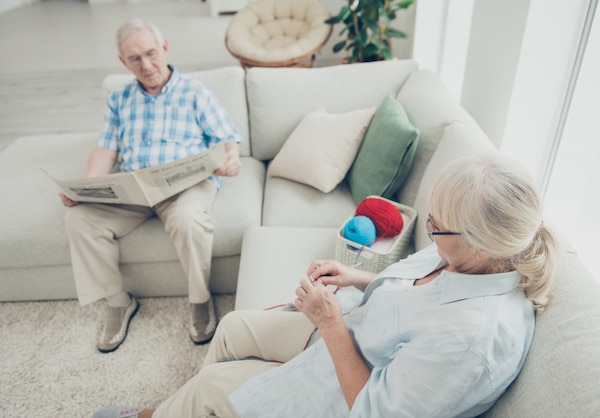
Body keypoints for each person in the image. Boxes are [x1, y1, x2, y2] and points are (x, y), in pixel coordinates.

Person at [93, 152, 559, 417]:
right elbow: (422, 295)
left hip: (346, 388)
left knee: (215, 384)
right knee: (233, 326)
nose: (430, 231)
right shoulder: (468, 255)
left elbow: (372, 410)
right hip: (355, 332)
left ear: (479, 242)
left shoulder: (471, 343)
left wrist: (330, 324)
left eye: (437, 226)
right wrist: (359, 277)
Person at [60, 19, 242, 353]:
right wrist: (85, 188)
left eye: (151, 53)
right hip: (133, 189)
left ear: (165, 48)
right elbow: (106, 149)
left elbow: (227, 140)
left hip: (186, 185)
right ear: (122, 62)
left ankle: (200, 301)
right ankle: (119, 303)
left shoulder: (194, 91)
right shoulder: (119, 99)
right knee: (78, 218)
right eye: (134, 59)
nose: (146, 65)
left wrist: (231, 158)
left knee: (189, 219)